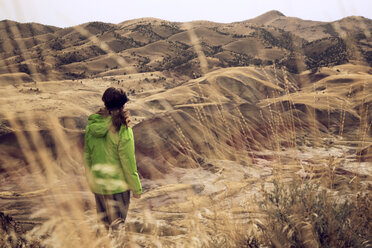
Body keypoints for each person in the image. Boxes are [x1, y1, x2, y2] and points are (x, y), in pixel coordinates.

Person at [83, 87, 142, 231]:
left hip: (99, 187)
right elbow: (128, 162)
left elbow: (87, 157)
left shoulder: (92, 127)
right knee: (117, 231)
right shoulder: (123, 129)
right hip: (118, 189)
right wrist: (136, 189)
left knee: (103, 231)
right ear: (123, 106)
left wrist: (92, 182)